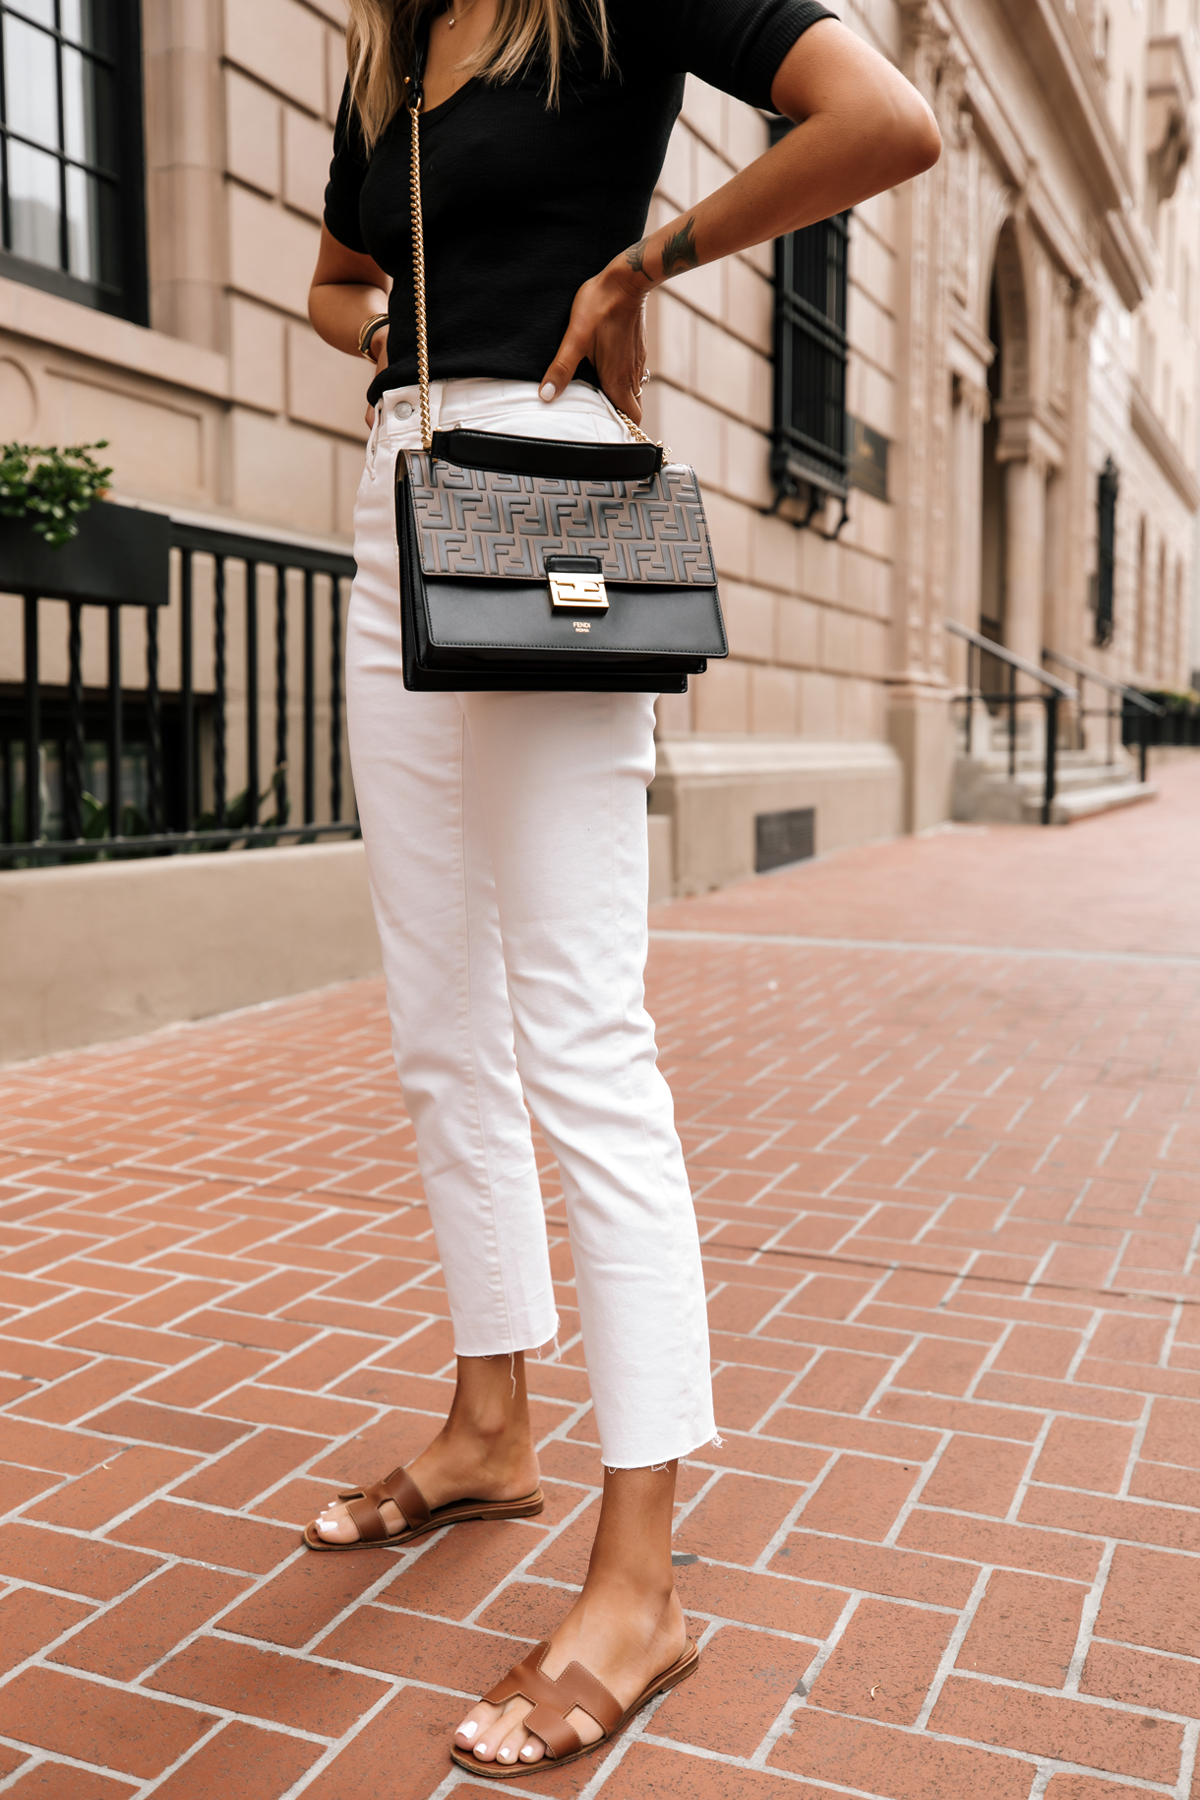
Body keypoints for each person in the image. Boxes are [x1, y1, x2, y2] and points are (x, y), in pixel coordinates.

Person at [307, 0, 939, 1777]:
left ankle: (641, 1582)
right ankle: (489, 1423)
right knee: (439, 1016)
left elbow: (886, 120)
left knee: (581, 1032)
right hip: (401, 493)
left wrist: (646, 263)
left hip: (555, 498)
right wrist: (406, 337)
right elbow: (335, 280)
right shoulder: (392, 41)